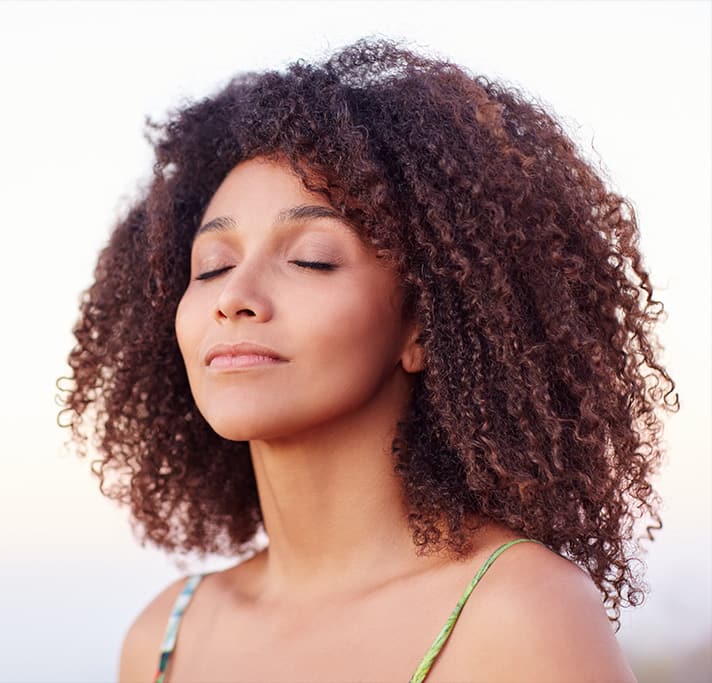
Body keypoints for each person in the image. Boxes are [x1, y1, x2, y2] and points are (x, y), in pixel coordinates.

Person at [56, 36, 677, 682]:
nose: (234, 297)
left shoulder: (517, 617)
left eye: (311, 259)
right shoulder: (165, 639)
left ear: (422, 323)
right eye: (211, 266)